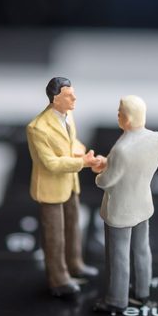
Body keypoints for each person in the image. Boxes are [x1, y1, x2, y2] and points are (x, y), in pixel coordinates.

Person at [26, 76, 101, 297]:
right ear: (55, 98)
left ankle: (75, 264)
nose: (74, 98)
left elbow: (71, 143)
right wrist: (82, 163)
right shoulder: (37, 128)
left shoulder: (68, 115)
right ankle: (58, 279)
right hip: (50, 189)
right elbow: (50, 163)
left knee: (73, 226)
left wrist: (85, 154)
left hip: (70, 183)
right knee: (54, 236)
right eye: (69, 95)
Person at [91, 95, 158, 314]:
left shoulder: (122, 149)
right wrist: (109, 163)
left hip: (121, 211)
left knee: (119, 257)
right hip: (143, 205)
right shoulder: (157, 139)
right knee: (143, 250)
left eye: (119, 112)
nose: (118, 115)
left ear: (127, 118)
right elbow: (136, 166)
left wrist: (101, 171)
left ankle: (116, 300)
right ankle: (142, 293)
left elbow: (106, 181)